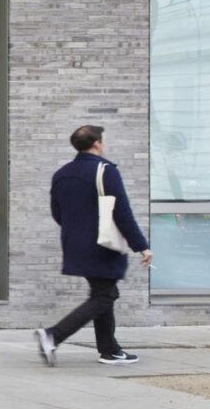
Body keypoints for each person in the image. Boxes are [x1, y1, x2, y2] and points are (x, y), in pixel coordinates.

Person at [36, 125, 153, 368]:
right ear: (97, 143)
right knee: (105, 295)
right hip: (102, 244)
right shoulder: (105, 170)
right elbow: (122, 213)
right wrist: (141, 246)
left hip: (75, 243)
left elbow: (57, 213)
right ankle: (53, 335)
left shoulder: (62, 173)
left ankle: (110, 350)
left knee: (103, 293)